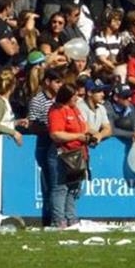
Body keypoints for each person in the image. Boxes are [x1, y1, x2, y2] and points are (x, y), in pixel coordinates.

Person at [46, 84, 91, 228]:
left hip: (77, 154)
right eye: (74, 96)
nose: (77, 99)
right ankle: (59, 220)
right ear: (66, 97)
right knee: (60, 188)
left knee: (73, 187)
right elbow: (55, 134)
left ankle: (71, 218)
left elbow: (85, 126)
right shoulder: (57, 111)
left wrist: (93, 134)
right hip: (62, 154)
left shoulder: (75, 109)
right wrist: (78, 136)